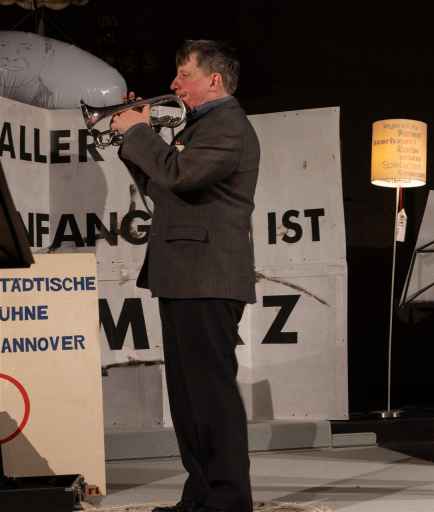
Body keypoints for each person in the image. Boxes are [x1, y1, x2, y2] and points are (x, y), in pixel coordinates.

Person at [110, 40, 259, 512]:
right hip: (184, 277)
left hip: (207, 278)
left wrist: (139, 132)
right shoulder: (199, 128)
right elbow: (162, 187)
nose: (173, 84)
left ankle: (228, 501)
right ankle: (200, 497)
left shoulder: (227, 123)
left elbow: (180, 175)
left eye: (184, 75)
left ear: (214, 79)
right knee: (189, 399)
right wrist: (131, 142)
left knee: (211, 397)